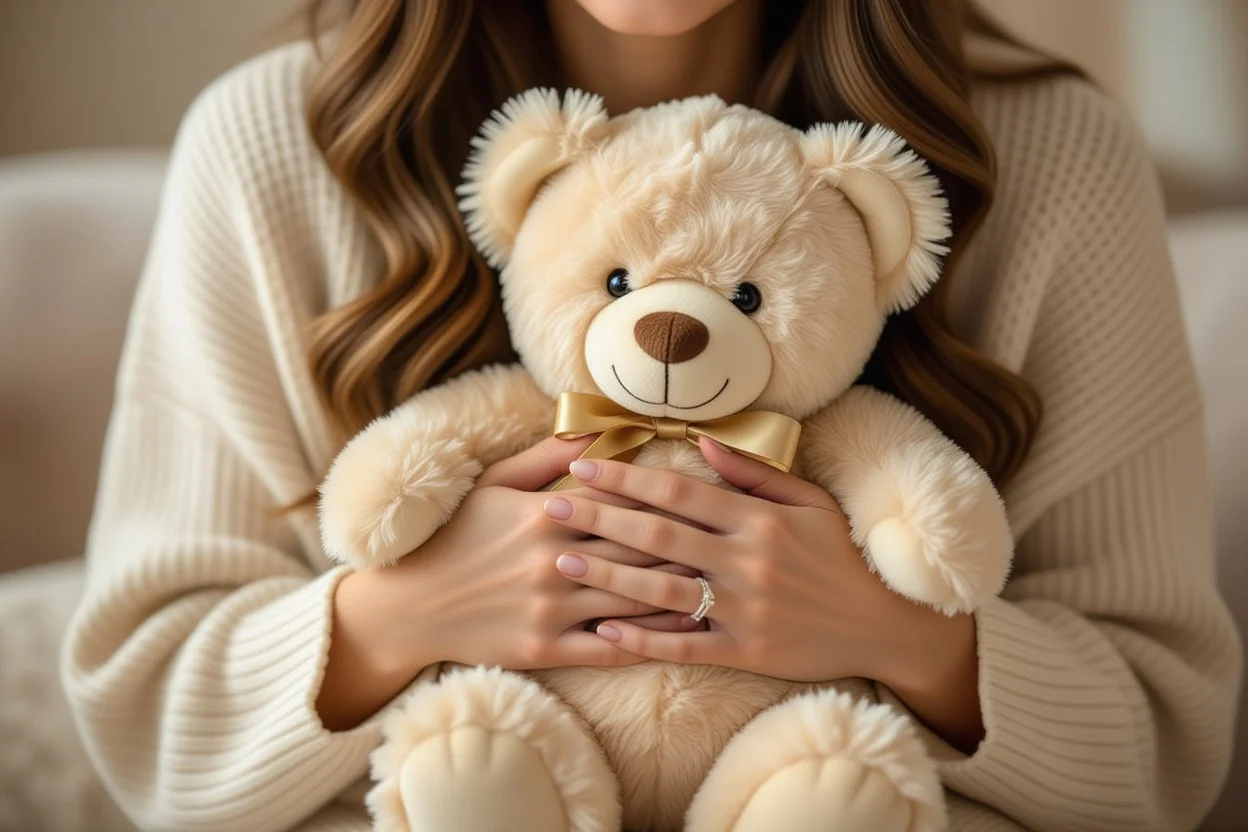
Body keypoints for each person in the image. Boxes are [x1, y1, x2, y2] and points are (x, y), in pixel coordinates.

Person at [61, 1, 1241, 830]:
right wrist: (406, 612)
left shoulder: (1055, 156)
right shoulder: (271, 147)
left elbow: (1160, 737)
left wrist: (895, 633)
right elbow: (147, 707)